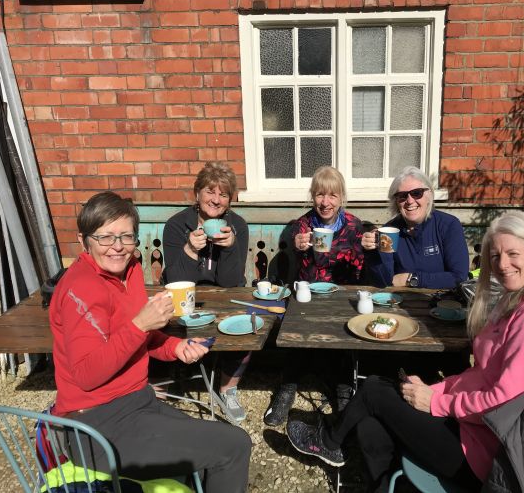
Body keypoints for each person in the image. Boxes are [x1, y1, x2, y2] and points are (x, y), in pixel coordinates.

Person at [287, 210, 524, 492]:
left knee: (374, 390)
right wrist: (435, 389)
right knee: (371, 422)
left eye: (513, 254)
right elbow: (482, 374)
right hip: (474, 428)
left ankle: (328, 441)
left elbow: (503, 403)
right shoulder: (516, 299)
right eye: (495, 255)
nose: (502, 264)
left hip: (491, 454)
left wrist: (437, 403)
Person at [50, 191, 251, 491]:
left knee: (211, 449)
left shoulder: (129, 269)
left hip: (136, 401)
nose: (118, 246)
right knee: (234, 445)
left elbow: (139, 335)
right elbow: (86, 374)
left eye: (126, 236)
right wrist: (140, 324)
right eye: (105, 237)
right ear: (84, 241)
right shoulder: (81, 288)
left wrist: (175, 347)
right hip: (94, 426)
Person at [264, 166, 364, 426]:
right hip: (308, 293)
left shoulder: (354, 226)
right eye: (320, 194)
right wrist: (299, 245)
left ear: (341, 197)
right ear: (312, 196)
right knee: (296, 329)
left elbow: (359, 265)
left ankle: (343, 387)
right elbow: (305, 260)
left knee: (346, 332)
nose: (325, 202)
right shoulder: (303, 224)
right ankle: (288, 387)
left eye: (332, 195)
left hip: (341, 295)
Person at [162, 161, 251, 421]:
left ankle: (228, 388)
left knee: (248, 324)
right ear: (197, 193)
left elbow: (230, 282)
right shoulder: (177, 226)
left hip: (224, 296)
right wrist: (190, 250)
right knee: (158, 322)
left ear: (230, 201)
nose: (216, 199)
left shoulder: (237, 226)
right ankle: (164, 384)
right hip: (185, 297)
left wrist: (230, 246)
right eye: (210, 191)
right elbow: (177, 280)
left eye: (223, 194)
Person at [362, 166, 469, 289]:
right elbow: (383, 283)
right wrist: (372, 253)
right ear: (396, 201)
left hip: (442, 299)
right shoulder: (389, 231)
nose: (410, 201)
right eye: (402, 196)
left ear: (429, 195)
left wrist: (412, 279)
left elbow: (459, 277)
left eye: (417, 193)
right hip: (400, 299)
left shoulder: (448, 225)